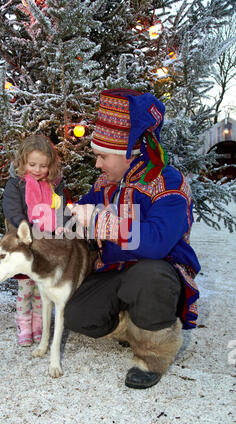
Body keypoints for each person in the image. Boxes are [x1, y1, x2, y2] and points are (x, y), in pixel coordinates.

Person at [64, 88, 200, 389]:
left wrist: (102, 223)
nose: (97, 164)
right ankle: (134, 324)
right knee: (77, 315)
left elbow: (157, 242)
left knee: (149, 274)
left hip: (158, 273)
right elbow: (75, 214)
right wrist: (51, 217)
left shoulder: (169, 183)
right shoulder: (106, 183)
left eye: (102, 156)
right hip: (115, 273)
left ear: (129, 153)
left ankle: (151, 355)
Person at [2, 133, 64, 346]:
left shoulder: (53, 185)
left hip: (45, 243)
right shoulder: (16, 184)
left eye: (43, 166)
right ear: (22, 162)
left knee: (41, 288)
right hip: (24, 242)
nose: (37, 170)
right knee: (26, 287)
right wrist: (24, 225)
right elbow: (11, 209)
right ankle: (23, 323)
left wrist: (59, 224)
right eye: (32, 164)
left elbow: (59, 208)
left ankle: (39, 324)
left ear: (50, 165)